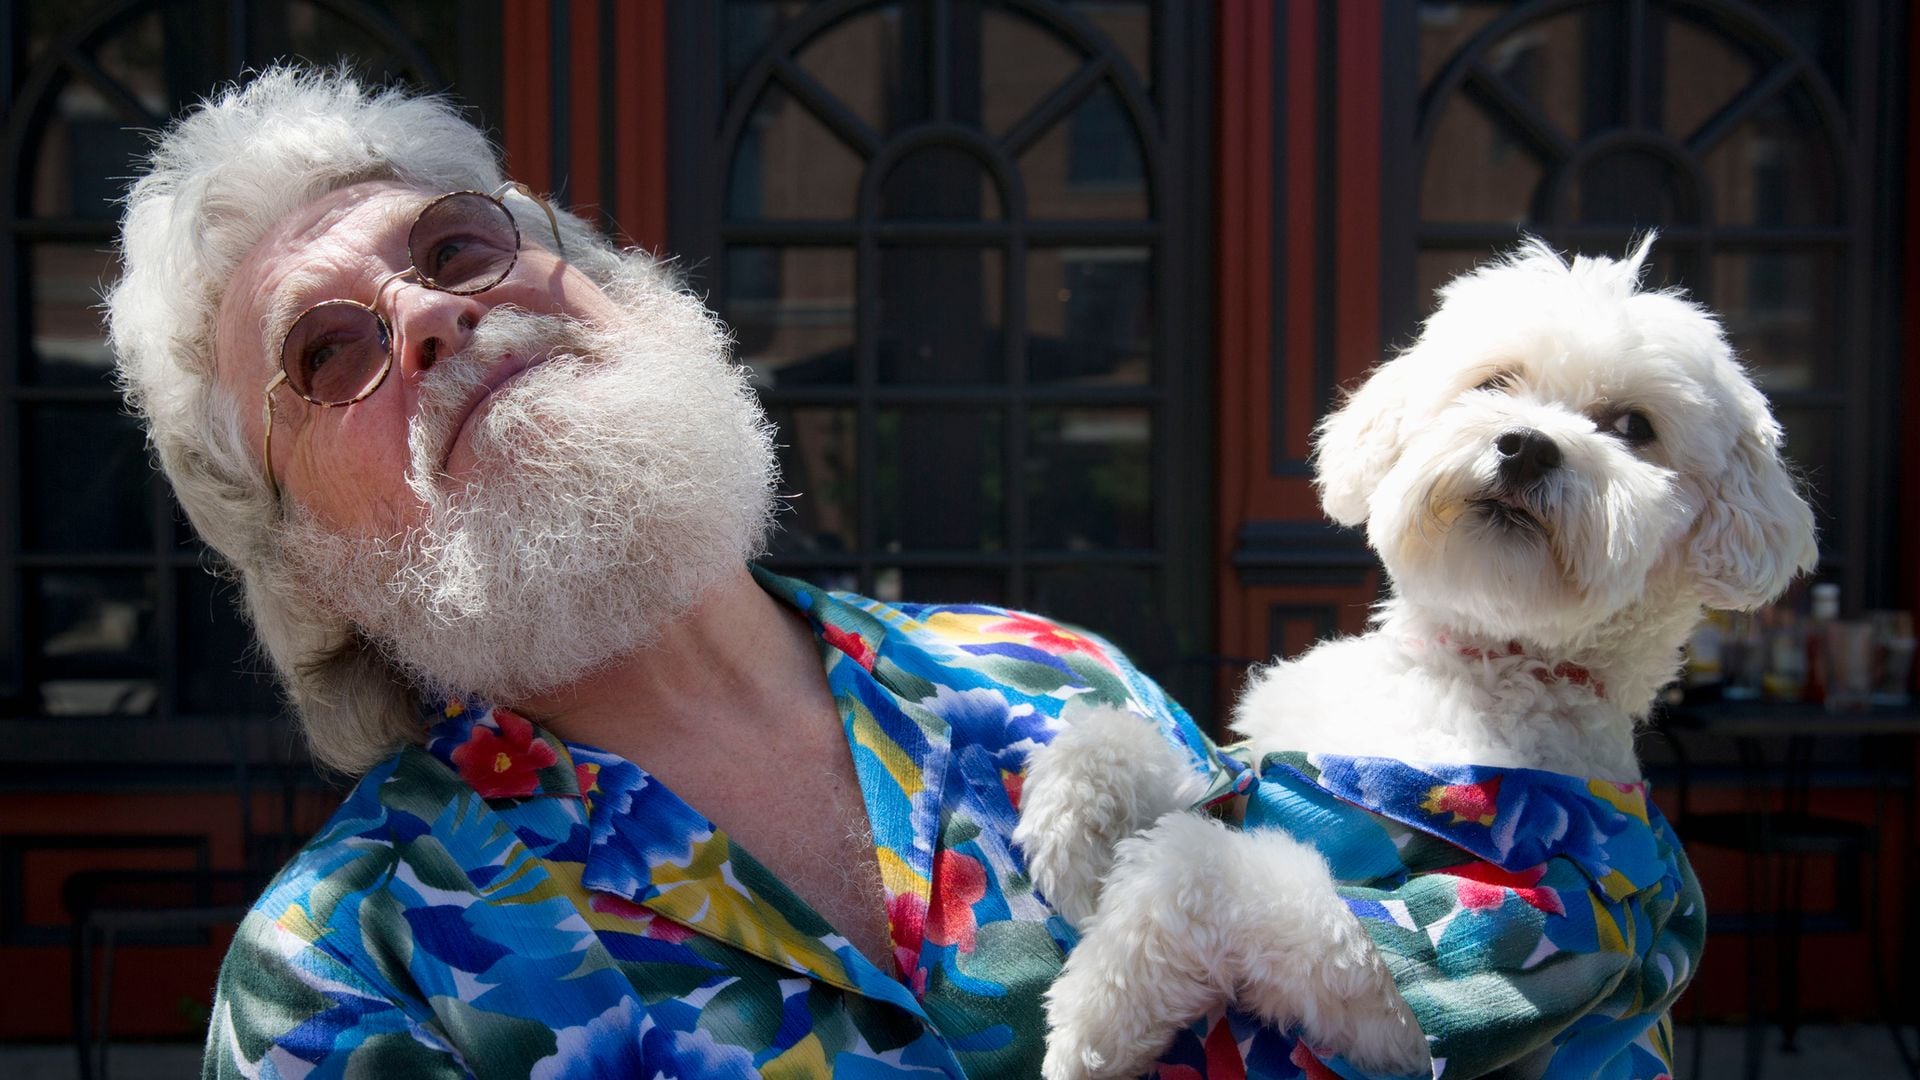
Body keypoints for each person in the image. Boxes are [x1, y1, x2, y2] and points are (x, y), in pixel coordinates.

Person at [109, 67, 1235, 1078]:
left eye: (455, 245)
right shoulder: (348, 968)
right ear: (307, 567)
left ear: (618, 288)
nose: (434, 315)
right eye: (328, 353)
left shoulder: (1054, 679)